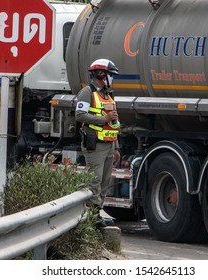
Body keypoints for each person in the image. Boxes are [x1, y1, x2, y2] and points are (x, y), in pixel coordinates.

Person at [75, 58, 121, 227]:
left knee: (105, 182)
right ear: (101, 74)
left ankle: (97, 212)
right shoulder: (87, 92)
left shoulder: (108, 95)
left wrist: (116, 146)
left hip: (109, 144)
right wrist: (104, 118)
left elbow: (114, 122)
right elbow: (79, 115)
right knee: (95, 180)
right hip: (95, 145)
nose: (112, 79)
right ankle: (92, 216)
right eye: (110, 75)